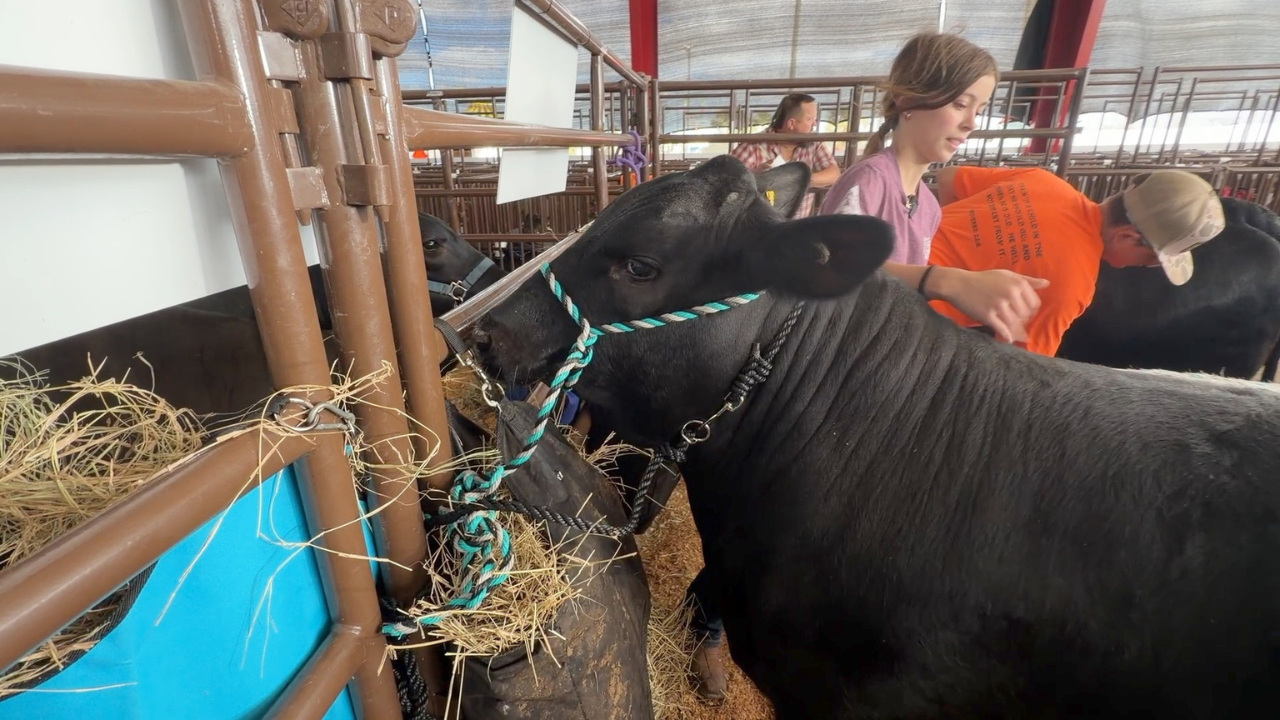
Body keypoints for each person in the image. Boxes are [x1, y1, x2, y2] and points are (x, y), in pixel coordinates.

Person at [820, 32, 1049, 346]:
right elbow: (833, 269)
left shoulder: (928, 207)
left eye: (979, 111)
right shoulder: (870, 179)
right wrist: (944, 280)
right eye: (960, 104)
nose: (972, 123)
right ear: (906, 99)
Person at [926, 166, 1224, 356]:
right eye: (1153, 260)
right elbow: (1020, 368)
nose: (1145, 267)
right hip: (910, 321)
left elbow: (948, 177)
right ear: (1128, 237)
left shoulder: (1043, 180)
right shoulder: (1071, 286)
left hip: (890, 264)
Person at [729, 93, 840, 218]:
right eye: (810, 119)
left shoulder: (814, 143)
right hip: (762, 227)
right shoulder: (755, 145)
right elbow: (726, 176)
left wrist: (796, 180)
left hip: (798, 227)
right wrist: (757, 174)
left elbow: (834, 174)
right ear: (791, 124)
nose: (815, 124)